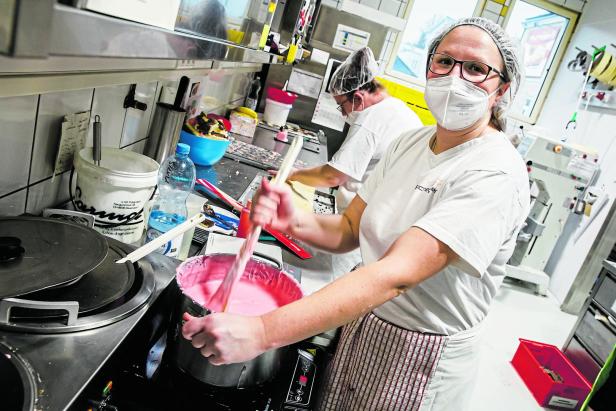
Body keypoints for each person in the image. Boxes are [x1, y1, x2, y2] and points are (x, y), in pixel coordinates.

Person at [182, 17, 530, 410]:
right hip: (364, 324)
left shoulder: (495, 170)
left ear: (500, 89)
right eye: (445, 61)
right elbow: (350, 228)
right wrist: (290, 220)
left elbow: (395, 275)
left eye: (477, 69)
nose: (455, 78)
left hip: (420, 355)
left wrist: (262, 330)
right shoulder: (409, 143)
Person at [284, 47, 422, 213]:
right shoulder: (399, 109)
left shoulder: (371, 118)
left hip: (364, 218)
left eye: (341, 106)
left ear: (357, 97)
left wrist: (292, 174)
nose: (343, 113)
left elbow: (333, 176)